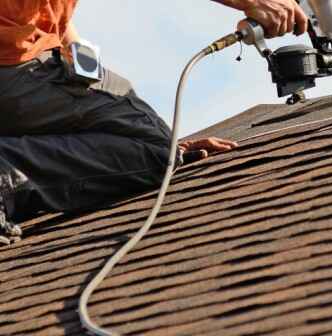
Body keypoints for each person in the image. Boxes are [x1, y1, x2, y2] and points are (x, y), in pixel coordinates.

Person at [0, 0, 308, 244]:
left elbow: (47, 16)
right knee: (158, 152)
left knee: (152, 142)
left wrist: (83, 73)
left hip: (19, 68)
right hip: (14, 71)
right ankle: (8, 173)